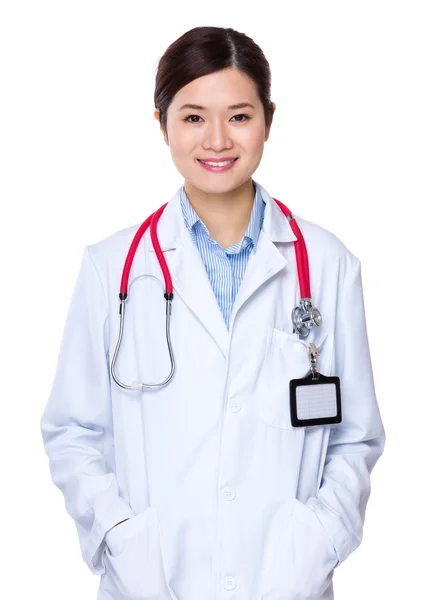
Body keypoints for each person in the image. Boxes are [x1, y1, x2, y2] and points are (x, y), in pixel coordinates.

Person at [40, 25, 385, 600]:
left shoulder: (326, 265)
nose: (218, 140)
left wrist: (315, 544)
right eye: (194, 117)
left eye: (240, 116)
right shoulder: (112, 267)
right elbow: (73, 432)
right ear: (162, 123)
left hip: (284, 584)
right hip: (151, 583)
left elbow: (355, 438)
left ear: (268, 121)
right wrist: (123, 540)